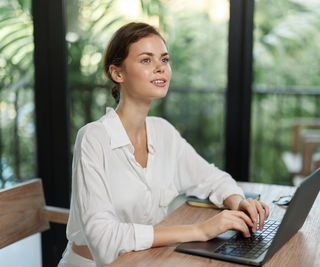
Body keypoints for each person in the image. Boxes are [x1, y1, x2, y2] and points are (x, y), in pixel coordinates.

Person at [58, 22, 269, 267]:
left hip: (146, 260)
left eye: (164, 59)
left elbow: (211, 178)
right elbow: (105, 238)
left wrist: (237, 201)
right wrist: (200, 231)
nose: (160, 68)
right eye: (146, 60)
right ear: (118, 73)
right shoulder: (93, 138)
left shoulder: (162, 131)